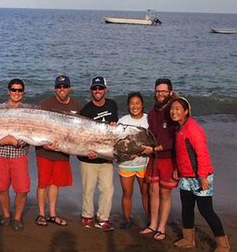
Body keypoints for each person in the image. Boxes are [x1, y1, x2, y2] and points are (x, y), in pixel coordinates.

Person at [170, 97, 229, 252]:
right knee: (187, 208)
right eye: (172, 109)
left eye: (178, 109)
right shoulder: (179, 128)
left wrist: (203, 177)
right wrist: (177, 169)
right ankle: (188, 239)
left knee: (206, 210)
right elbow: (182, 153)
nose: (174, 112)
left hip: (201, 176)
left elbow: (202, 154)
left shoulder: (193, 129)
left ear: (186, 111)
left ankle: (223, 244)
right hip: (186, 177)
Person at [34, 75, 81, 226]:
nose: (62, 89)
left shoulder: (76, 105)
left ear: (70, 88)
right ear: (55, 89)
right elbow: (36, 126)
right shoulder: (46, 103)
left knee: (55, 183)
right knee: (43, 183)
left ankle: (52, 214)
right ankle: (41, 214)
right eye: (59, 87)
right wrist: (43, 144)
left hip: (62, 152)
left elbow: (81, 131)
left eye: (65, 86)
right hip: (44, 151)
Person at [78, 76, 119, 231]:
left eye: (100, 88)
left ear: (105, 90)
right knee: (88, 189)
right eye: (94, 88)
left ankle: (103, 218)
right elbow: (81, 135)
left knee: (108, 189)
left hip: (106, 157)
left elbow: (113, 131)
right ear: (91, 91)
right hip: (88, 157)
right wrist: (87, 152)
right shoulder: (86, 110)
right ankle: (87, 216)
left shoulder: (112, 105)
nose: (97, 91)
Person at [140, 78, 178, 241]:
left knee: (165, 193)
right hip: (154, 157)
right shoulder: (152, 113)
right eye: (158, 91)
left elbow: (175, 139)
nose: (160, 94)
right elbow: (151, 136)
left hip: (168, 158)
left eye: (163, 91)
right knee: (152, 191)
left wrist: (156, 149)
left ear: (170, 92)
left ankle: (162, 227)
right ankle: (153, 224)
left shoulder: (174, 110)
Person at [0, 78, 30, 231]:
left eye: (20, 90)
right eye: (14, 90)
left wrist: (18, 142)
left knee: (22, 189)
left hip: (19, 154)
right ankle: (6, 215)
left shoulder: (29, 112)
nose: (16, 93)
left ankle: (17, 217)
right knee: (1, 188)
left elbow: (32, 130)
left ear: (23, 93)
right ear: (8, 91)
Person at [117, 92, 150, 229]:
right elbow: (117, 143)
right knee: (127, 193)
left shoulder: (149, 119)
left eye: (137, 103)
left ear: (142, 105)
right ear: (128, 106)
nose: (134, 106)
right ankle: (126, 219)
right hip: (126, 164)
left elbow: (153, 141)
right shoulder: (122, 121)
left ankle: (150, 219)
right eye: (131, 103)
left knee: (146, 193)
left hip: (144, 164)